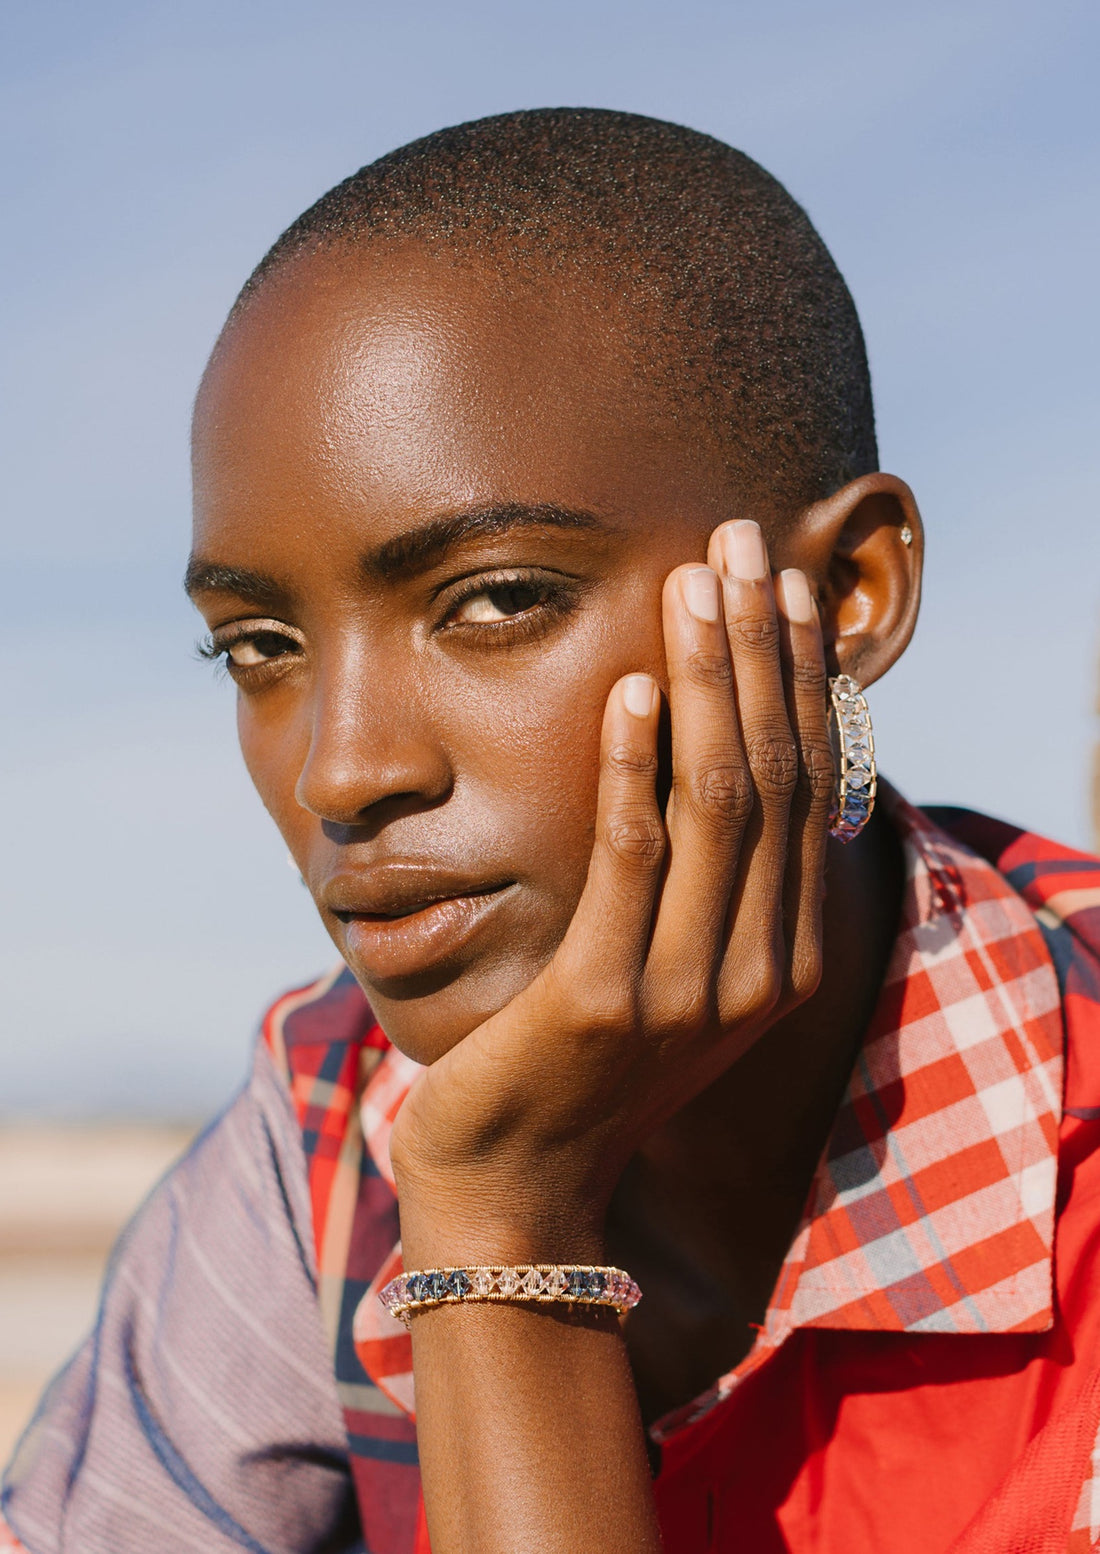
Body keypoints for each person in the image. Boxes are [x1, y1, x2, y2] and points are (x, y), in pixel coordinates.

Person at [4, 107, 1100, 1554]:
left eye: (499, 599)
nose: (344, 768)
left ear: (845, 595)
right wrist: (481, 1192)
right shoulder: (332, 1123)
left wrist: (500, 1234)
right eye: (259, 644)